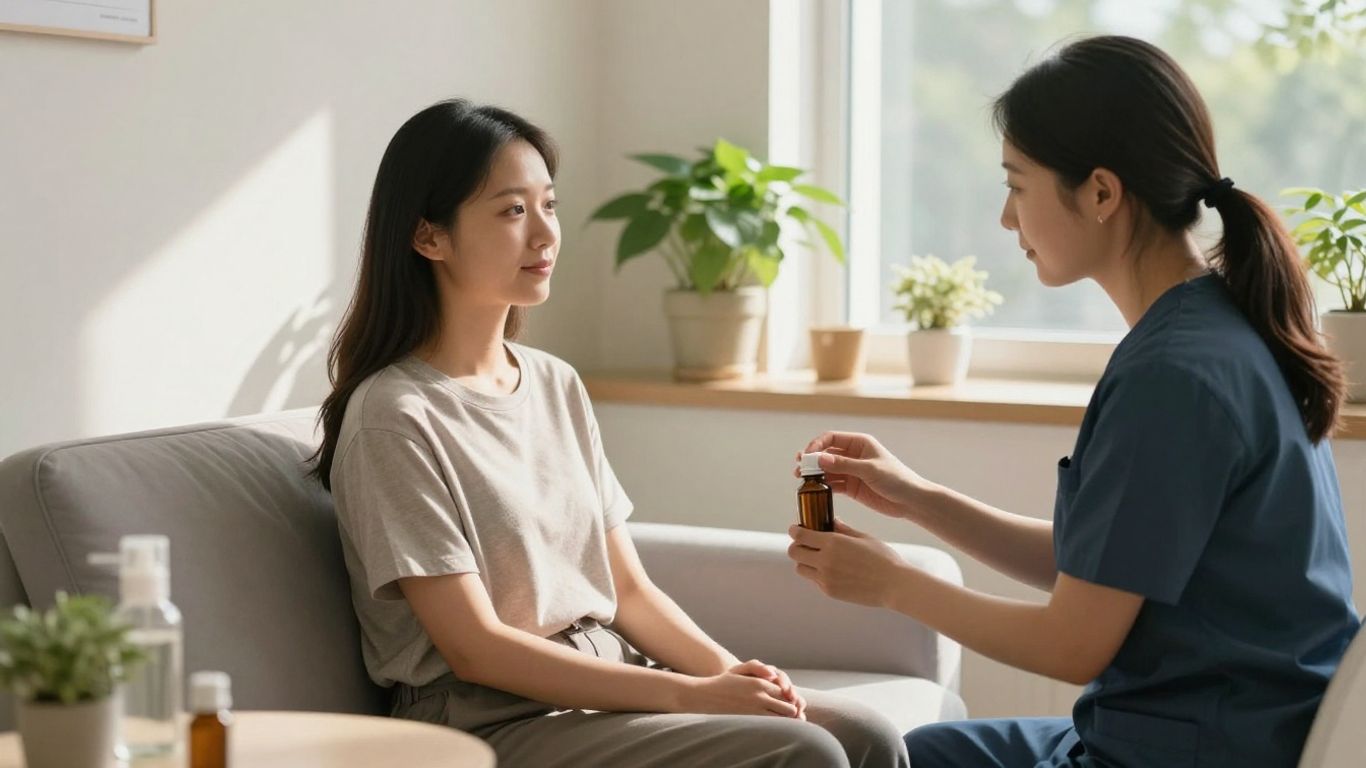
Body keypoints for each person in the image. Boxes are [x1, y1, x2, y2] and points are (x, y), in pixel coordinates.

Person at [786, 35, 1360, 767]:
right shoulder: (1220, 329)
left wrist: (893, 586)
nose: (1005, 218)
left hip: (1194, 750)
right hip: (1229, 731)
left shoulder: (1173, 378)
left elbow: (1073, 643)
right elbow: (1107, 566)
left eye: (1017, 185)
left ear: (1100, 192)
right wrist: (918, 498)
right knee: (915, 750)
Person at [309, 98, 908, 768]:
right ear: (429, 237)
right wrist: (688, 698)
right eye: (512, 210)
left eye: (549, 205)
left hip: (603, 689)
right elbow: (473, 646)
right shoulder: (395, 416)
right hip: (493, 719)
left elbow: (628, 591)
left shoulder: (553, 383)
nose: (544, 234)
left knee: (867, 735)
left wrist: (738, 679)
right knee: (807, 755)